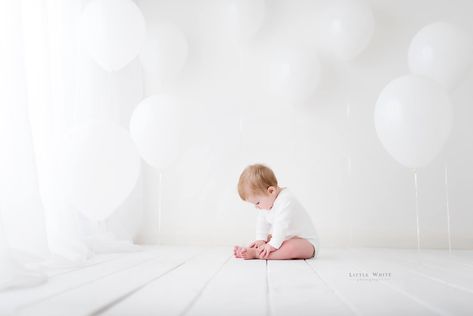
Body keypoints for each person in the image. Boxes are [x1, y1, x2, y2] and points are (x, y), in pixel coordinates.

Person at [234, 163, 320, 260]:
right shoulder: (267, 202)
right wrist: (261, 239)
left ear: (271, 191)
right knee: (269, 238)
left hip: (306, 243)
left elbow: (281, 225)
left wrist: (272, 245)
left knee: (291, 248)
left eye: (257, 202)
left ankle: (257, 254)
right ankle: (253, 249)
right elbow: (262, 221)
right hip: (285, 237)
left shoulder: (286, 200)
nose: (256, 207)